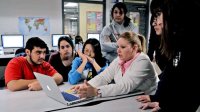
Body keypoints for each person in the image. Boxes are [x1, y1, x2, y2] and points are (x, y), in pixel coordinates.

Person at [137, 0, 200, 111]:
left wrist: (165, 104)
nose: (153, 23)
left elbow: (190, 92)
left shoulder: (190, 45)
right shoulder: (178, 43)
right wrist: (157, 98)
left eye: (157, 15)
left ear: (172, 15)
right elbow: (171, 73)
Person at [71, 31, 158, 98]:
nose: (118, 51)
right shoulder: (120, 59)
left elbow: (124, 86)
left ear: (134, 48)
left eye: (123, 47)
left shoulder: (143, 60)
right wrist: (87, 85)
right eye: (118, 47)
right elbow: (104, 76)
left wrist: (96, 91)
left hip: (150, 101)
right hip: (131, 99)